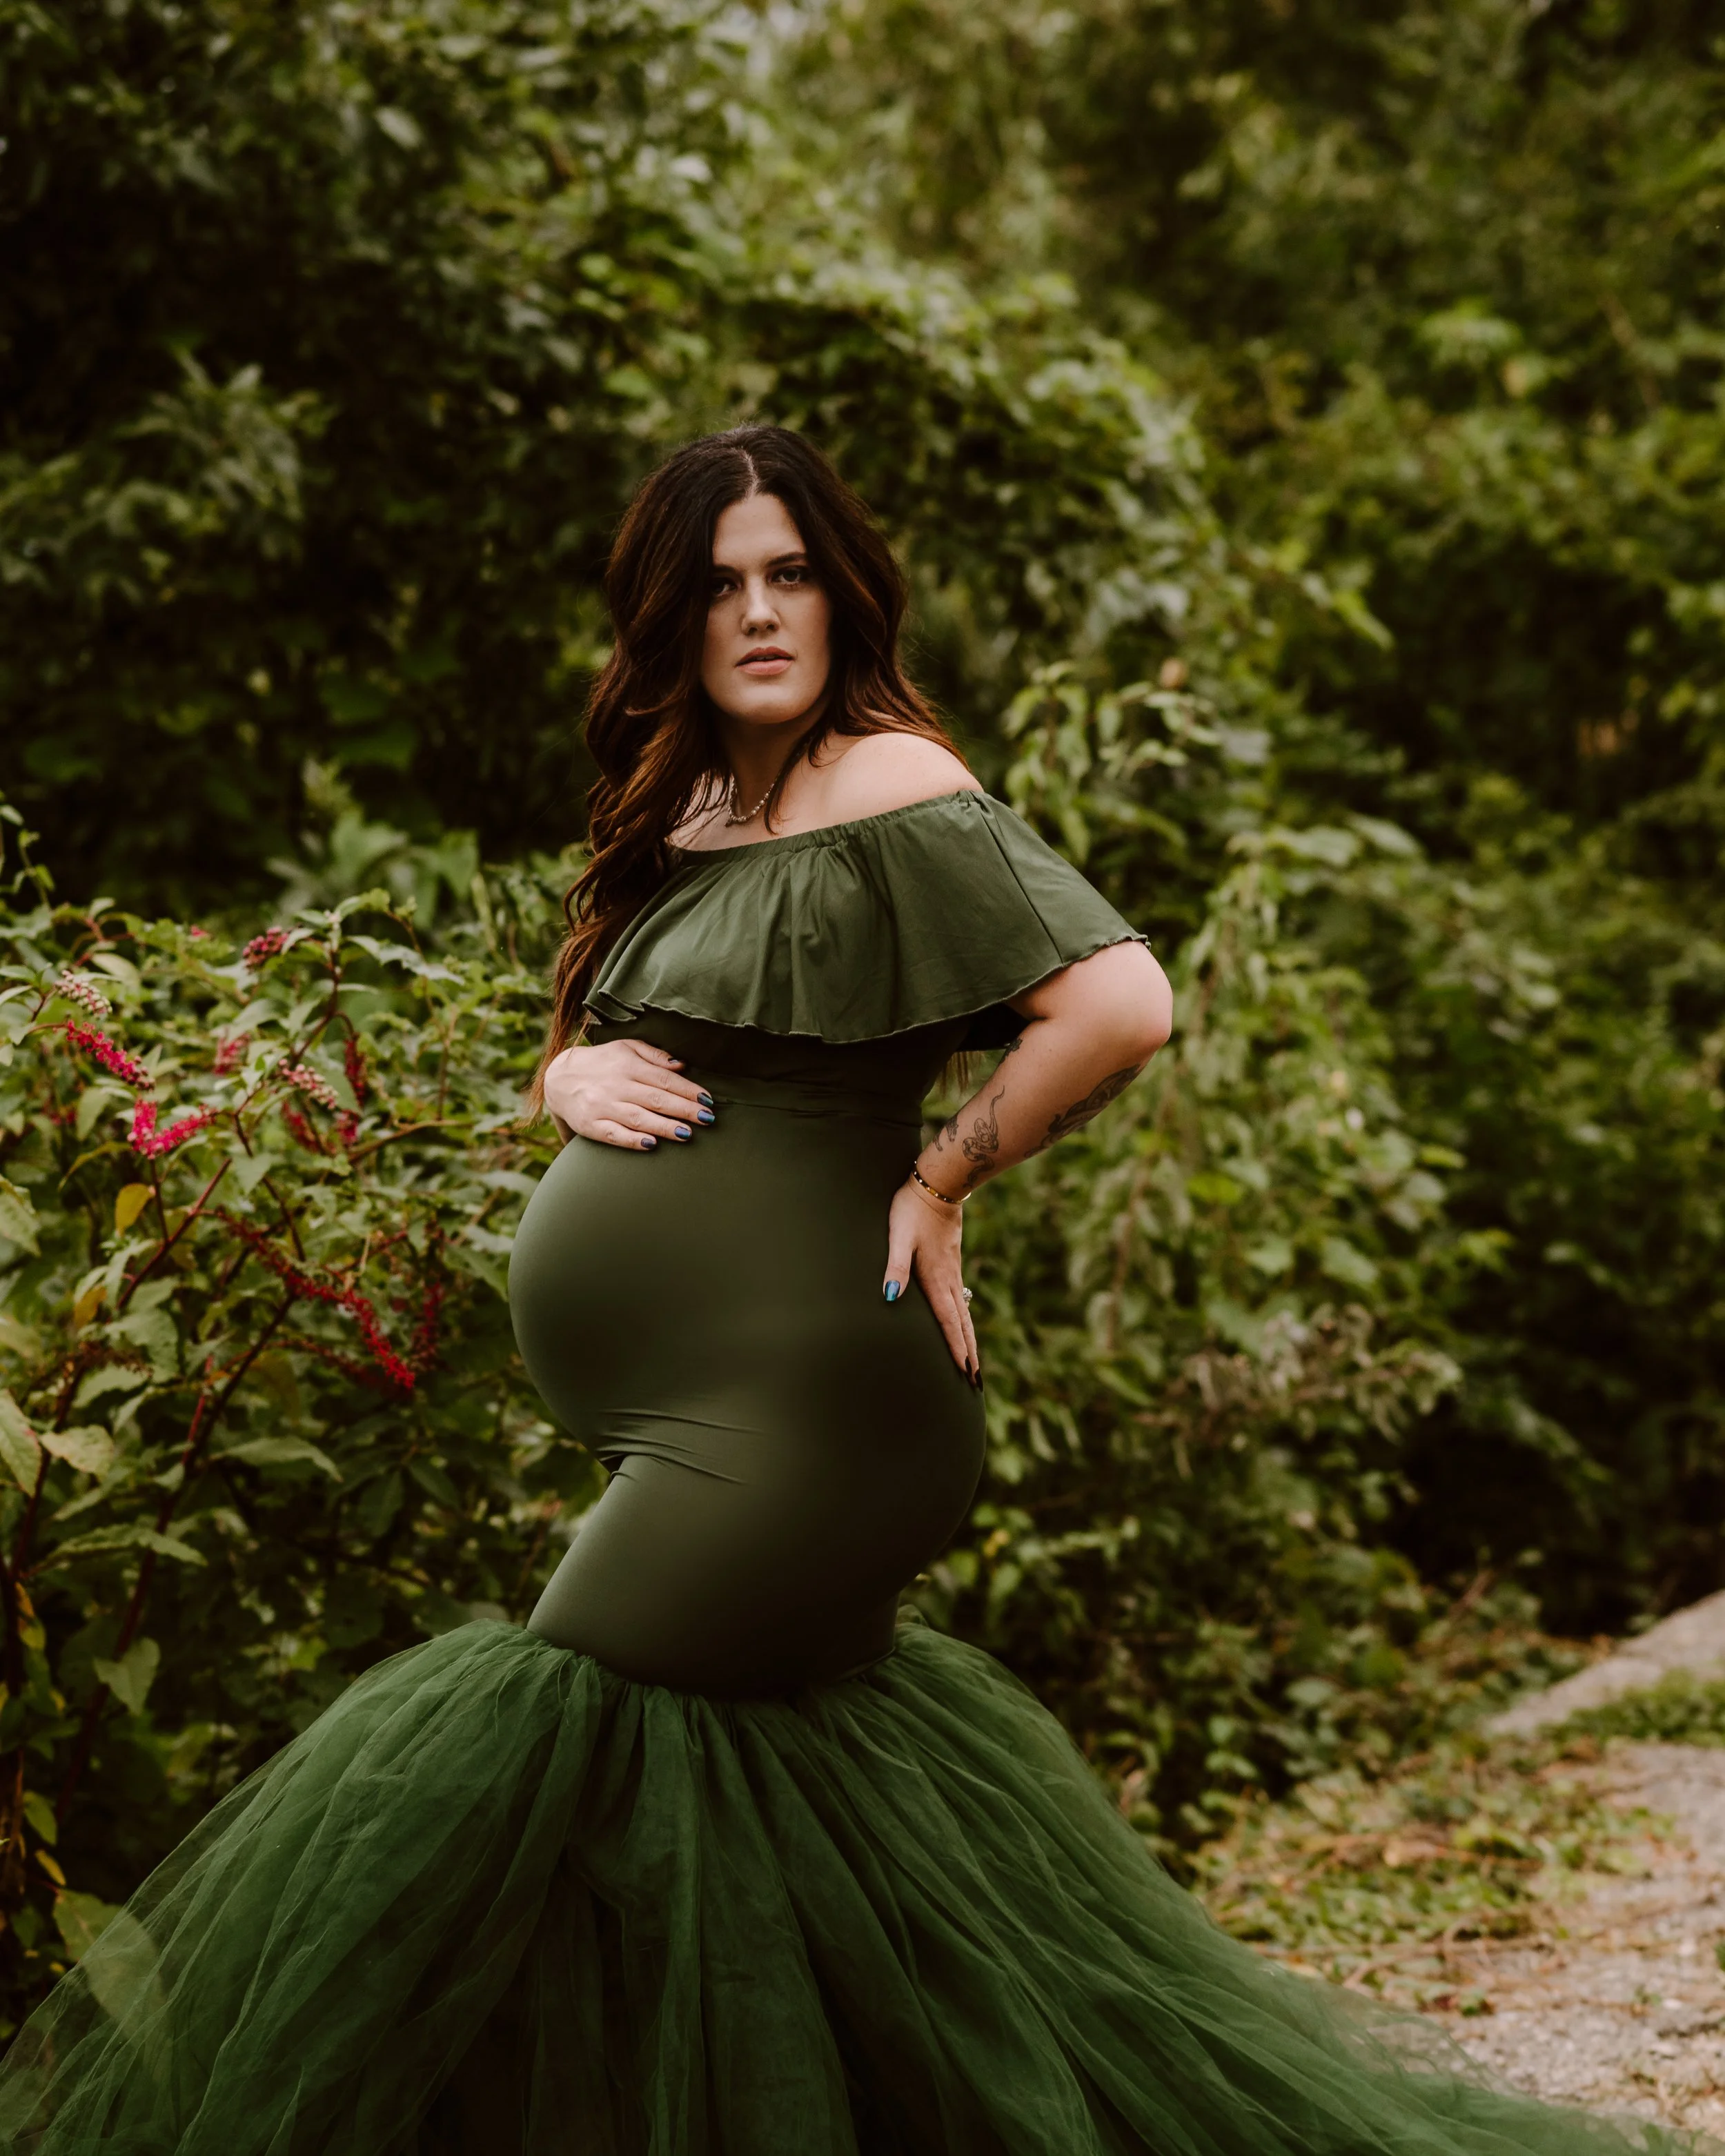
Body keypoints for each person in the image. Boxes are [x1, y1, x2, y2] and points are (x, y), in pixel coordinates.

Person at [0, 428, 1702, 2156]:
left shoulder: (887, 781)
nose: (758, 611)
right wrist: (563, 1076)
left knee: (537, 1730)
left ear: (841, 594)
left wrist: (943, 1174)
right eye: (720, 581)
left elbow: (1121, 1001)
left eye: (790, 573)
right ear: (666, 614)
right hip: (713, 1413)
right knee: (730, 1826)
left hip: (808, 1416)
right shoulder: (679, 806)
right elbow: (608, 1031)